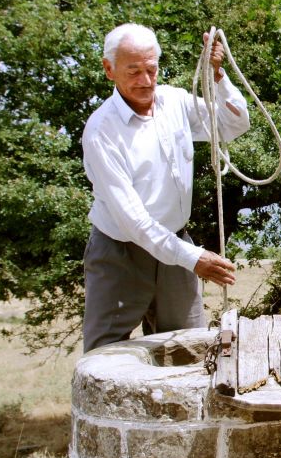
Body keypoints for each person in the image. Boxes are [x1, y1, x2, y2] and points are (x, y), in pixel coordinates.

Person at [81, 23, 250, 352]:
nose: (145, 80)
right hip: (120, 252)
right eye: (133, 71)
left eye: (151, 69)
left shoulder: (174, 101)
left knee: (189, 350)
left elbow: (233, 124)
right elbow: (135, 223)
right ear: (109, 70)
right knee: (103, 357)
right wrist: (194, 258)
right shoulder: (101, 131)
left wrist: (217, 77)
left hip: (175, 244)